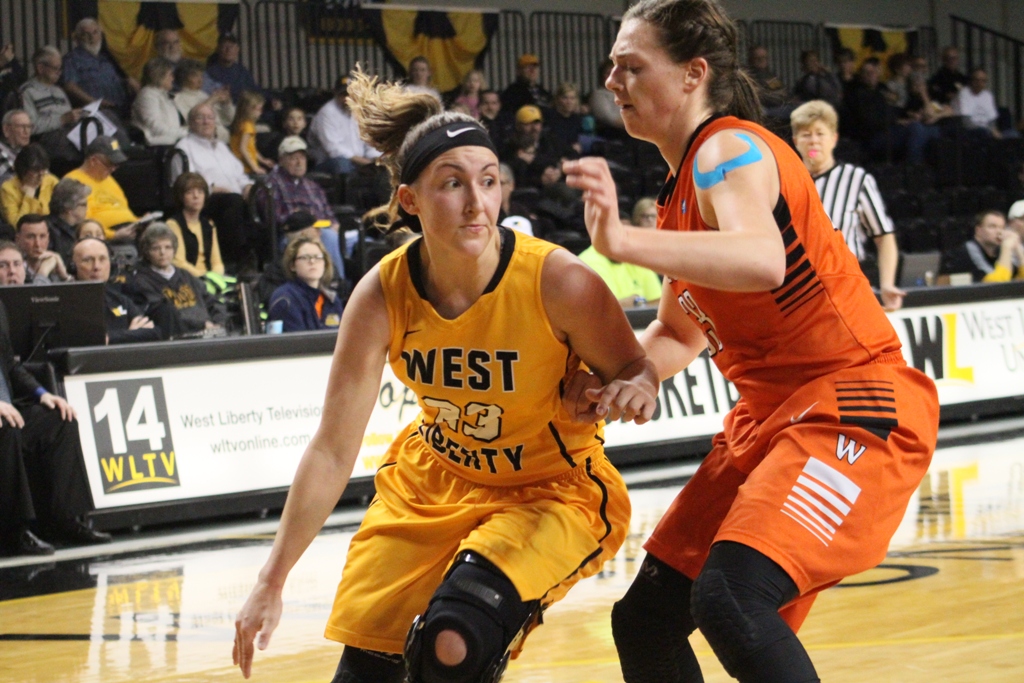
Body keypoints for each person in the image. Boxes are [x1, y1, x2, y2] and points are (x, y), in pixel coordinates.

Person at [232, 68, 658, 682]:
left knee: (453, 642)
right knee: (366, 669)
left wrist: (632, 389)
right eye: (452, 183)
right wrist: (271, 579)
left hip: (548, 489)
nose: (477, 202)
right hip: (432, 483)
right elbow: (332, 449)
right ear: (410, 200)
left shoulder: (559, 280)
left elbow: (637, 367)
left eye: (488, 180)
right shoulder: (381, 295)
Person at [561, 2, 939, 682]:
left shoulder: (726, 149)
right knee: (645, 620)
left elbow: (762, 259)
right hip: (768, 420)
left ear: (692, 74)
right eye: (612, 67)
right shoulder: (682, 192)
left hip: (852, 403)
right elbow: (677, 331)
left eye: (632, 66)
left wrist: (619, 240)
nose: (612, 81)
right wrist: (638, 374)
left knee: (731, 597)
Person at [0, 296, 111, 556]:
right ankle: (15, 532)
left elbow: (10, 366)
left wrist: (42, 394)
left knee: (59, 420)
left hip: (8, 408)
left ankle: (65, 521)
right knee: (7, 428)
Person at [790, 100, 905, 310]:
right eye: (806, 135)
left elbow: (884, 235)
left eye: (820, 134)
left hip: (846, 287)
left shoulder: (856, 179)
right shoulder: (787, 182)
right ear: (796, 141)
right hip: (799, 289)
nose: (813, 141)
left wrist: (887, 283)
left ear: (834, 139)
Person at [175, 103, 255, 269]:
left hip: (236, 197)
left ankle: (267, 260)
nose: (206, 122)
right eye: (200, 118)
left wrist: (247, 186)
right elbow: (184, 182)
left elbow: (239, 175)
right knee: (233, 202)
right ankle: (236, 260)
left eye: (210, 118)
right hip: (206, 200)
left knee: (262, 196)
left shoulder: (221, 147)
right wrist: (210, 189)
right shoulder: (183, 147)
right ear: (191, 123)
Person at [125, 223, 227, 337]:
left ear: (174, 250)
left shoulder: (186, 275)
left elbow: (213, 302)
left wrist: (219, 323)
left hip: (210, 332)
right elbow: (165, 317)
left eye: (168, 247)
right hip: (180, 337)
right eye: (156, 248)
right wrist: (201, 325)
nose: (162, 252)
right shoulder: (141, 281)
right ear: (147, 252)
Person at [264, 137, 346, 278]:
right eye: (293, 158)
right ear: (281, 160)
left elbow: (328, 213)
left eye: (302, 158)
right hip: (293, 233)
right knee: (330, 238)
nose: (299, 162)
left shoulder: (313, 186)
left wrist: (335, 224)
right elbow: (275, 218)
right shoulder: (272, 184)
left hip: (322, 228)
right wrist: (304, 225)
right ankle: (337, 283)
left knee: (359, 240)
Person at [72, 237, 162, 344]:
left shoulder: (119, 300)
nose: (96, 267)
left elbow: (153, 333)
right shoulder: (66, 302)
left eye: (102, 259)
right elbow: (85, 340)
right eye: (88, 260)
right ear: (73, 267)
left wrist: (112, 338)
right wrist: (131, 334)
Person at [578, 197, 662, 309]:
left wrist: (636, 302)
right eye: (617, 233)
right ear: (603, 234)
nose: (623, 239)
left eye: (627, 234)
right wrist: (637, 302)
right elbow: (602, 308)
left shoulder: (636, 258)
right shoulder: (589, 262)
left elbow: (658, 301)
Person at [63, 135, 140, 240]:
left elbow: (122, 208)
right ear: (93, 160)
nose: (113, 169)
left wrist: (139, 221)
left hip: (129, 228)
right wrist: (113, 235)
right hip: (105, 236)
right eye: (109, 164)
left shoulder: (108, 179)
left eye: (116, 165)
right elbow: (81, 223)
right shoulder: (72, 182)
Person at [266, 236, 344, 332]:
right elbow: (293, 339)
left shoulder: (332, 300)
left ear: (325, 264)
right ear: (292, 265)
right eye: (305, 257)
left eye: (318, 257)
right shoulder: (285, 298)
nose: (312, 261)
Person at [308, 75, 382, 175]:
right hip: (329, 163)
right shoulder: (326, 113)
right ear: (336, 94)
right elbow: (333, 150)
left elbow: (370, 143)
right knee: (342, 164)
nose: (348, 99)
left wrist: (376, 159)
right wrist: (365, 163)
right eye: (343, 95)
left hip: (359, 162)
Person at [61, 18, 135, 114]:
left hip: (121, 109)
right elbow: (70, 86)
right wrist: (95, 102)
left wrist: (128, 82)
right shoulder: (72, 59)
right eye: (86, 34)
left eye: (95, 32)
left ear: (100, 35)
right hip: (96, 111)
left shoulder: (106, 58)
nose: (92, 37)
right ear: (78, 38)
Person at [165, 172, 225, 277]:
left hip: (210, 278)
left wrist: (215, 277)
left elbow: (217, 263)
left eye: (200, 192)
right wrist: (204, 277)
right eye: (189, 192)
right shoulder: (173, 224)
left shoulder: (209, 225)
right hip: (187, 280)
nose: (196, 196)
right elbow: (179, 262)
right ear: (181, 197)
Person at [942, 210, 1024, 282]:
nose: (999, 232)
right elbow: (997, 284)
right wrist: (1006, 248)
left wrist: (1018, 248)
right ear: (978, 230)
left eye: (1002, 227)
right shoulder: (968, 251)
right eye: (992, 227)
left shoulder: (998, 251)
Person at [131, 57, 188, 146]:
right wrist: (185, 133)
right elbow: (155, 127)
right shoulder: (147, 95)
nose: (173, 78)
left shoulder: (164, 94)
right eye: (170, 75)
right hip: (158, 143)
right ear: (159, 76)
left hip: (173, 138)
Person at [173, 59, 233, 142]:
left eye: (201, 76)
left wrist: (227, 103)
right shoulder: (178, 99)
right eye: (195, 76)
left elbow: (229, 120)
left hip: (223, 140)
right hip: (202, 141)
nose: (200, 80)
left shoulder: (204, 95)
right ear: (183, 78)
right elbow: (192, 122)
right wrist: (210, 101)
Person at [1, 144, 59, 226]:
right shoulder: (8, 189)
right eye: (35, 170)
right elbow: (16, 225)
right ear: (23, 170)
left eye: (43, 169)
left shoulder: (51, 181)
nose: (41, 175)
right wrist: (28, 198)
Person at [46, 177, 91, 263]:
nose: (87, 208)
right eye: (84, 204)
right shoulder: (47, 230)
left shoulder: (80, 228)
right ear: (69, 207)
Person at [15, 213, 70, 283]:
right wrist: (43, 272)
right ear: (18, 239)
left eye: (42, 236)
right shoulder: (12, 271)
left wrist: (65, 277)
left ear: (48, 239)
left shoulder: (55, 264)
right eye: (31, 237)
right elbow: (35, 290)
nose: (37, 244)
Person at [230, 90, 273, 174]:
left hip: (239, 166)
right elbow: (243, 149)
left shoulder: (241, 123)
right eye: (259, 109)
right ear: (248, 109)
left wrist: (263, 160)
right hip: (245, 168)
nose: (261, 112)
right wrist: (255, 168)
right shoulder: (247, 126)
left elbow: (251, 148)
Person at [954, 68, 1001, 138]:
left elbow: (992, 119)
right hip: (972, 131)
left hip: (988, 130)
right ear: (971, 81)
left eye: (983, 81)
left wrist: (993, 130)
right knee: (983, 132)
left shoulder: (988, 95)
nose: (980, 83)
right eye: (977, 80)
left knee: (1012, 134)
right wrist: (989, 130)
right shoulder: (964, 93)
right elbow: (966, 122)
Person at [0, 109, 32, 185]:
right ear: (6, 129)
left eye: (29, 127)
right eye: (21, 127)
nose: (26, 132)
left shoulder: (30, 153)